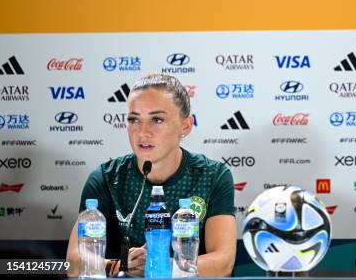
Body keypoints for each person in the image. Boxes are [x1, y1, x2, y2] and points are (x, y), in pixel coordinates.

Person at [66, 74, 236, 277]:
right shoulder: (106, 178)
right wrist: (121, 265)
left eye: (157, 119)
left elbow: (223, 262)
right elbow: (73, 262)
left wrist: (160, 266)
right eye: (134, 119)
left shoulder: (213, 176)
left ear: (186, 126)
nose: (142, 132)